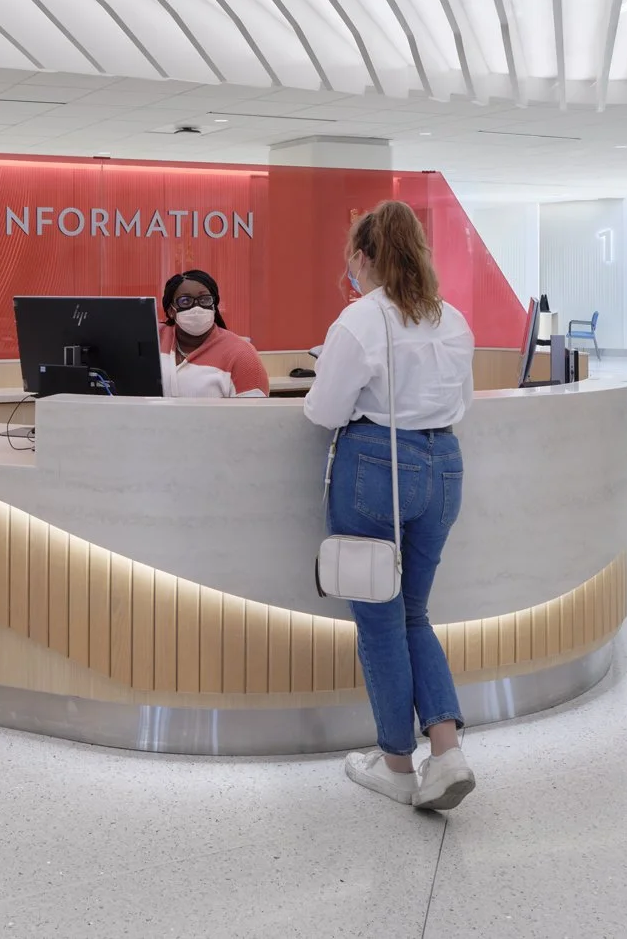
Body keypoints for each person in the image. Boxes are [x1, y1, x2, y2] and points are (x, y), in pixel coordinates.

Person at [303, 202, 477, 811]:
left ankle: (398, 765)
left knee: (378, 617)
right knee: (414, 613)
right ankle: (447, 751)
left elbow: (323, 412)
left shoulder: (360, 320)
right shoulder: (452, 319)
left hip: (376, 466)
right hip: (445, 466)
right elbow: (464, 401)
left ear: (363, 257)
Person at [158, 269, 269, 398]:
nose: (196, 308)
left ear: (214, 307)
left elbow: (255, 414)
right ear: (171, 310)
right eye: (185, 301)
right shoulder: (153, 339)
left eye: (204, 300)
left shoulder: (242, 354)